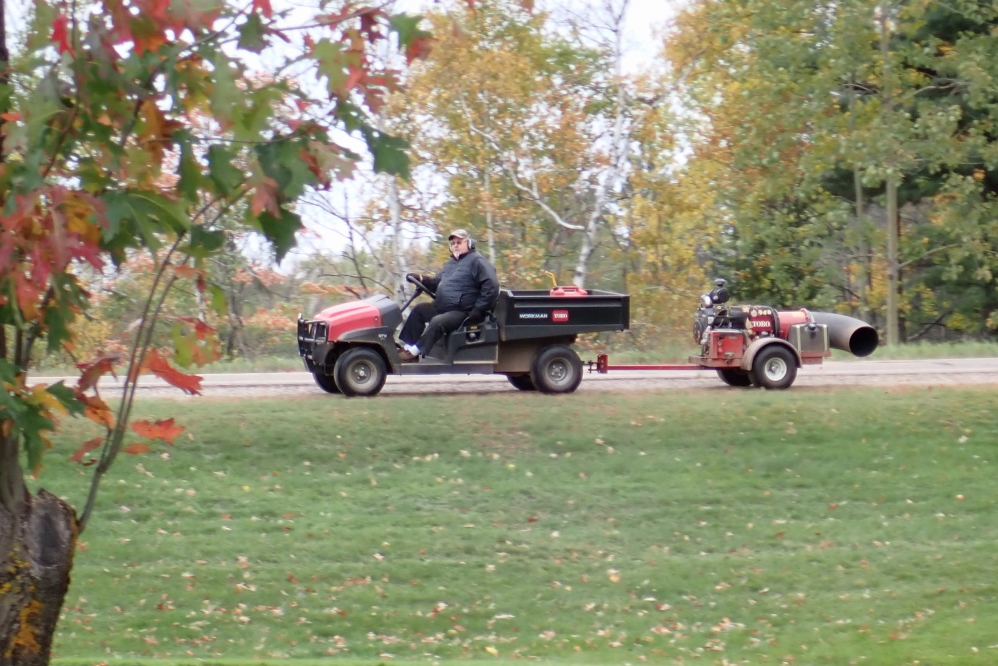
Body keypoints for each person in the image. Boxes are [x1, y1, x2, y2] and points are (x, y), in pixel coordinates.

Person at [398, 229, 499, 362]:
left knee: (437, 322)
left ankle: (414, 352)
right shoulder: (451, 264)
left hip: (464, 311)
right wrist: (421, 279)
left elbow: (491, 286)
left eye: (459, 242)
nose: (455, 245)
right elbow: (436, 283)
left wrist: (479, 309)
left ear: (469, 243)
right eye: (453, 243)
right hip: (443, 307)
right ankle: (407, 347)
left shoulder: (477, 262)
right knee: (419, 310)